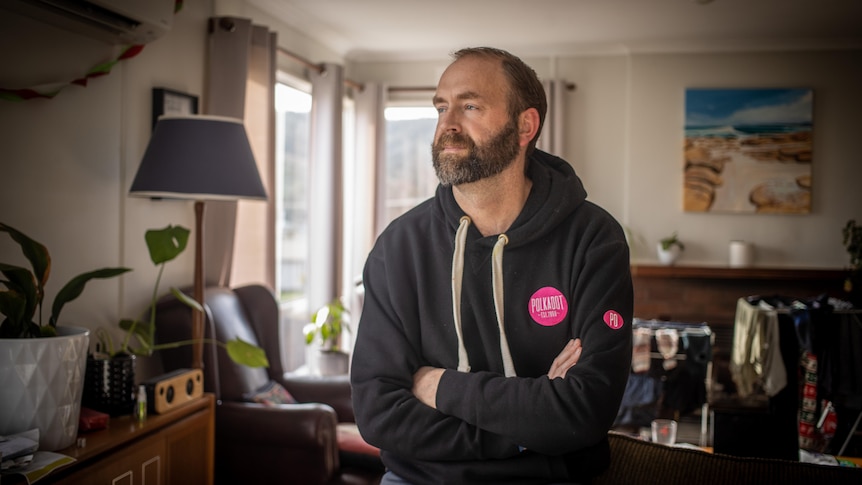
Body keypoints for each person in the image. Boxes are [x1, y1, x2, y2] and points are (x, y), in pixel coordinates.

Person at [350, 46, 633, 485]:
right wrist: (524, 433)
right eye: (442, 107)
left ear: (525, 125)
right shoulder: (399, 246)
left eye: (470, 106)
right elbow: (378, 413)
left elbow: (585, 410)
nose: (448, 124)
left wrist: (437, 386)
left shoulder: (594, 239)